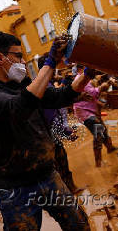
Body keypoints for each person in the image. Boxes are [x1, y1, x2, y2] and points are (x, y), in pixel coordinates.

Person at [0, 31, 95, 231]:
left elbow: (61, 96)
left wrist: (87, 74)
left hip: (48, 175)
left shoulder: (21, 83)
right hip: (14, 187)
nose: (23, 61)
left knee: (80, 226)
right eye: (18, 55)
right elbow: (18, 107)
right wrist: (50, 62)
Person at [37, 54, 82, 195]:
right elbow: (51, 117)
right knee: (59, 166)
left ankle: (70, 191)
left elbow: (59, 112)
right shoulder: (44, 88)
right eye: (54, 66)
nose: (56, 70)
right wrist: (66, 132)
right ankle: (66, 194)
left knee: (62, 164)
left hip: (51, 135)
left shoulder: (47, 85)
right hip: (49, 138)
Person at [73, 73, 118, 167]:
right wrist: (107, 84)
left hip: (90, 108)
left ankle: (110, 148)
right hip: (84, 111)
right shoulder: (82, 79)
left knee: (103, 129)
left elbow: (97, 99)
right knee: (98, 132)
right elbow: (95, 93)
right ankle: (98, 161)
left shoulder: (86, 79)